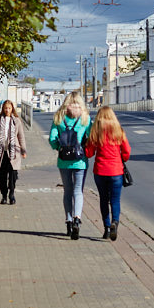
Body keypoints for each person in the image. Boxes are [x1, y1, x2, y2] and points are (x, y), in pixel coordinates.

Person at [85, 106, 131, 241]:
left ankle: (106, 228)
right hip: (116, 171)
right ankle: (114, 223)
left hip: (100, 171)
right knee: (115, 200)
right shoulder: (118, 131)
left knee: (104, 200)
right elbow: (127, 151)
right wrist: (121, 158)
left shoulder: (96, 131)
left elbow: (89, 153)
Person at [48, 91, 90, 239]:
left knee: (67, 191)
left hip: (63, 161)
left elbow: (52, 139)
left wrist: (59, 147)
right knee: (78, 191)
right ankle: (77, 218)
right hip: (80, 160)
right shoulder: (85, 118)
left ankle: (68, 219)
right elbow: (90, 138)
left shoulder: (59, 117)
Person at [0, 100, 27, 204]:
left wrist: (23, 150)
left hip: (14, 152)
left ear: (12, 108)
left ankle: (11, 194)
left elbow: (21, 136)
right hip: (1, 151)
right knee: (2, 175)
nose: (7, 110)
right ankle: (4, 196)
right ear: (3, 109)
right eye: (5, 108)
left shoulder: (16, 121)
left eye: (9, 108)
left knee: (13, 174)